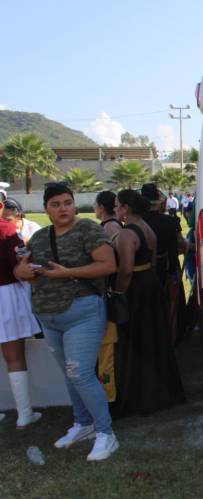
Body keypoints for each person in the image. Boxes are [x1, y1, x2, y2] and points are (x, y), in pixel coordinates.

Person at [13, 183, 118, 461]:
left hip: (82, 312)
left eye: (68, 202)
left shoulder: (88, 230)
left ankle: (106, 434)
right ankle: (83, 425)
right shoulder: (39, 237)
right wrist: (22, 270)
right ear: (46, 208)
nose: (63, 209)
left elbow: (108, 265)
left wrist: (68, 273)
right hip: (48, 315)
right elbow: (24, 266)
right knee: (70, 376)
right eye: (56, 204)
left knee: (80, 373)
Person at [111, 190, 185, 417]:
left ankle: (140, 395)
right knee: (155, 338)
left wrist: (118, 293)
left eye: (117, 205)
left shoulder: (127, 234)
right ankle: (161, 391)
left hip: (136, 289)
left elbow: (125, 270)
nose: (115, 209)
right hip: (150, 284)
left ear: (125, 208)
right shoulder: (147, 227)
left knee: (136, 342)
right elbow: (152, 260)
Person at [0, 185, 43, 428]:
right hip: (6, 295)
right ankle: (24, 414)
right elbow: (22, 262)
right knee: (14, 357)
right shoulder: (6, 229)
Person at [140, 183, 187, 344]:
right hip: (169, 268)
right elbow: (182, 244)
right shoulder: (170, 221)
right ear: (159, 201)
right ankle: (172, 337)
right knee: (170, 305)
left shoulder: (138, 222)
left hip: (145, 272)